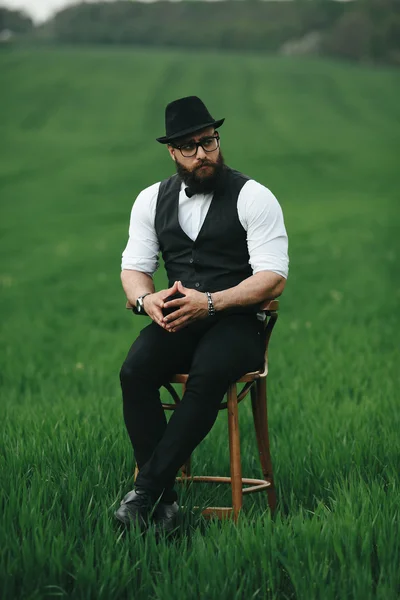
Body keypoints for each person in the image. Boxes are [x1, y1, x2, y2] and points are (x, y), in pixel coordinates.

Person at [116, 96, 289, 533]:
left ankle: (146, 491)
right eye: (190, 147)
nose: (202, 154)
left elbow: (272, 278)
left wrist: (211, 302)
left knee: (210, 372)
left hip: (238, 323)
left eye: (208, 141)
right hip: (179, 320)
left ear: (217, 139)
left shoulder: (254, 196)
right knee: (134, 370)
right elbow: (135, 269)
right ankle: (165, 503)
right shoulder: (150, 199)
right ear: (172, 152)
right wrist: (145, 300)